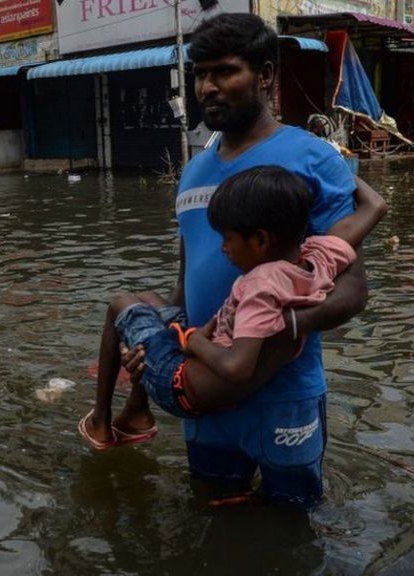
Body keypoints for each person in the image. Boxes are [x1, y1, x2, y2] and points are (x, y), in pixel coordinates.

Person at [118, 13, 375, 507]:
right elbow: (185, 284)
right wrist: (163, 345)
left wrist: (267, 337)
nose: (207, 87)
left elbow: (352, 289)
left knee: (291, 519)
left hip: (283, 392)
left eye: (224, 71)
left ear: (265, 75)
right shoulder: (193, 171)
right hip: (206, 389)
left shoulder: (312, 158)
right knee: (212, 505)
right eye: (200, 74)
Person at [81, 167, 386, 459]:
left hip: (178, 384)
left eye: (227, 238)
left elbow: (236, 367)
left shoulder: (260, 286)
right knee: (147, 300)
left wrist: (194, 341)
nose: (223, 248)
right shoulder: (319, 256)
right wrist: (334, 169)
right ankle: (136, 411)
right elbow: (375, 206)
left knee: (120, 304)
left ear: (261, 240)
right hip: (203, 364)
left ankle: (100, 422)